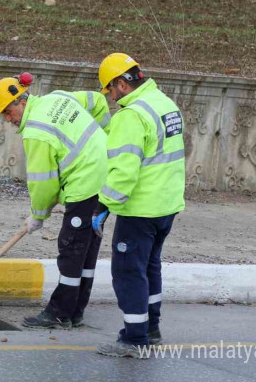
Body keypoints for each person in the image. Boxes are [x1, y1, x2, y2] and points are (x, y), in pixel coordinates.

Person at [0, 73, 107, 329]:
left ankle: (59, 313)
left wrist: (38, 215)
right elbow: (98, 100)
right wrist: (104, 136)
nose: (8, 119)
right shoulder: (58, 97)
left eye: (8, 112)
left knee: (71, 248)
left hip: (84, 183)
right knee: (87, 250)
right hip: (106, 178)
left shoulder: (36, 131)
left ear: (21, 101)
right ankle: (76, 311)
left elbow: (44, 183)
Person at [91, 53, 186, 358]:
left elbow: (124, 172)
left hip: (140, 209)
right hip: (167, 206)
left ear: (122, 83)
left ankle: (135, 339)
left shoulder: (131, 116)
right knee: (150, 265)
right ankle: (151, 327)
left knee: (128, 271)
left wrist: (104, 205)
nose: (111, 97)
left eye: (110, 90)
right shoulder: (165, 104)